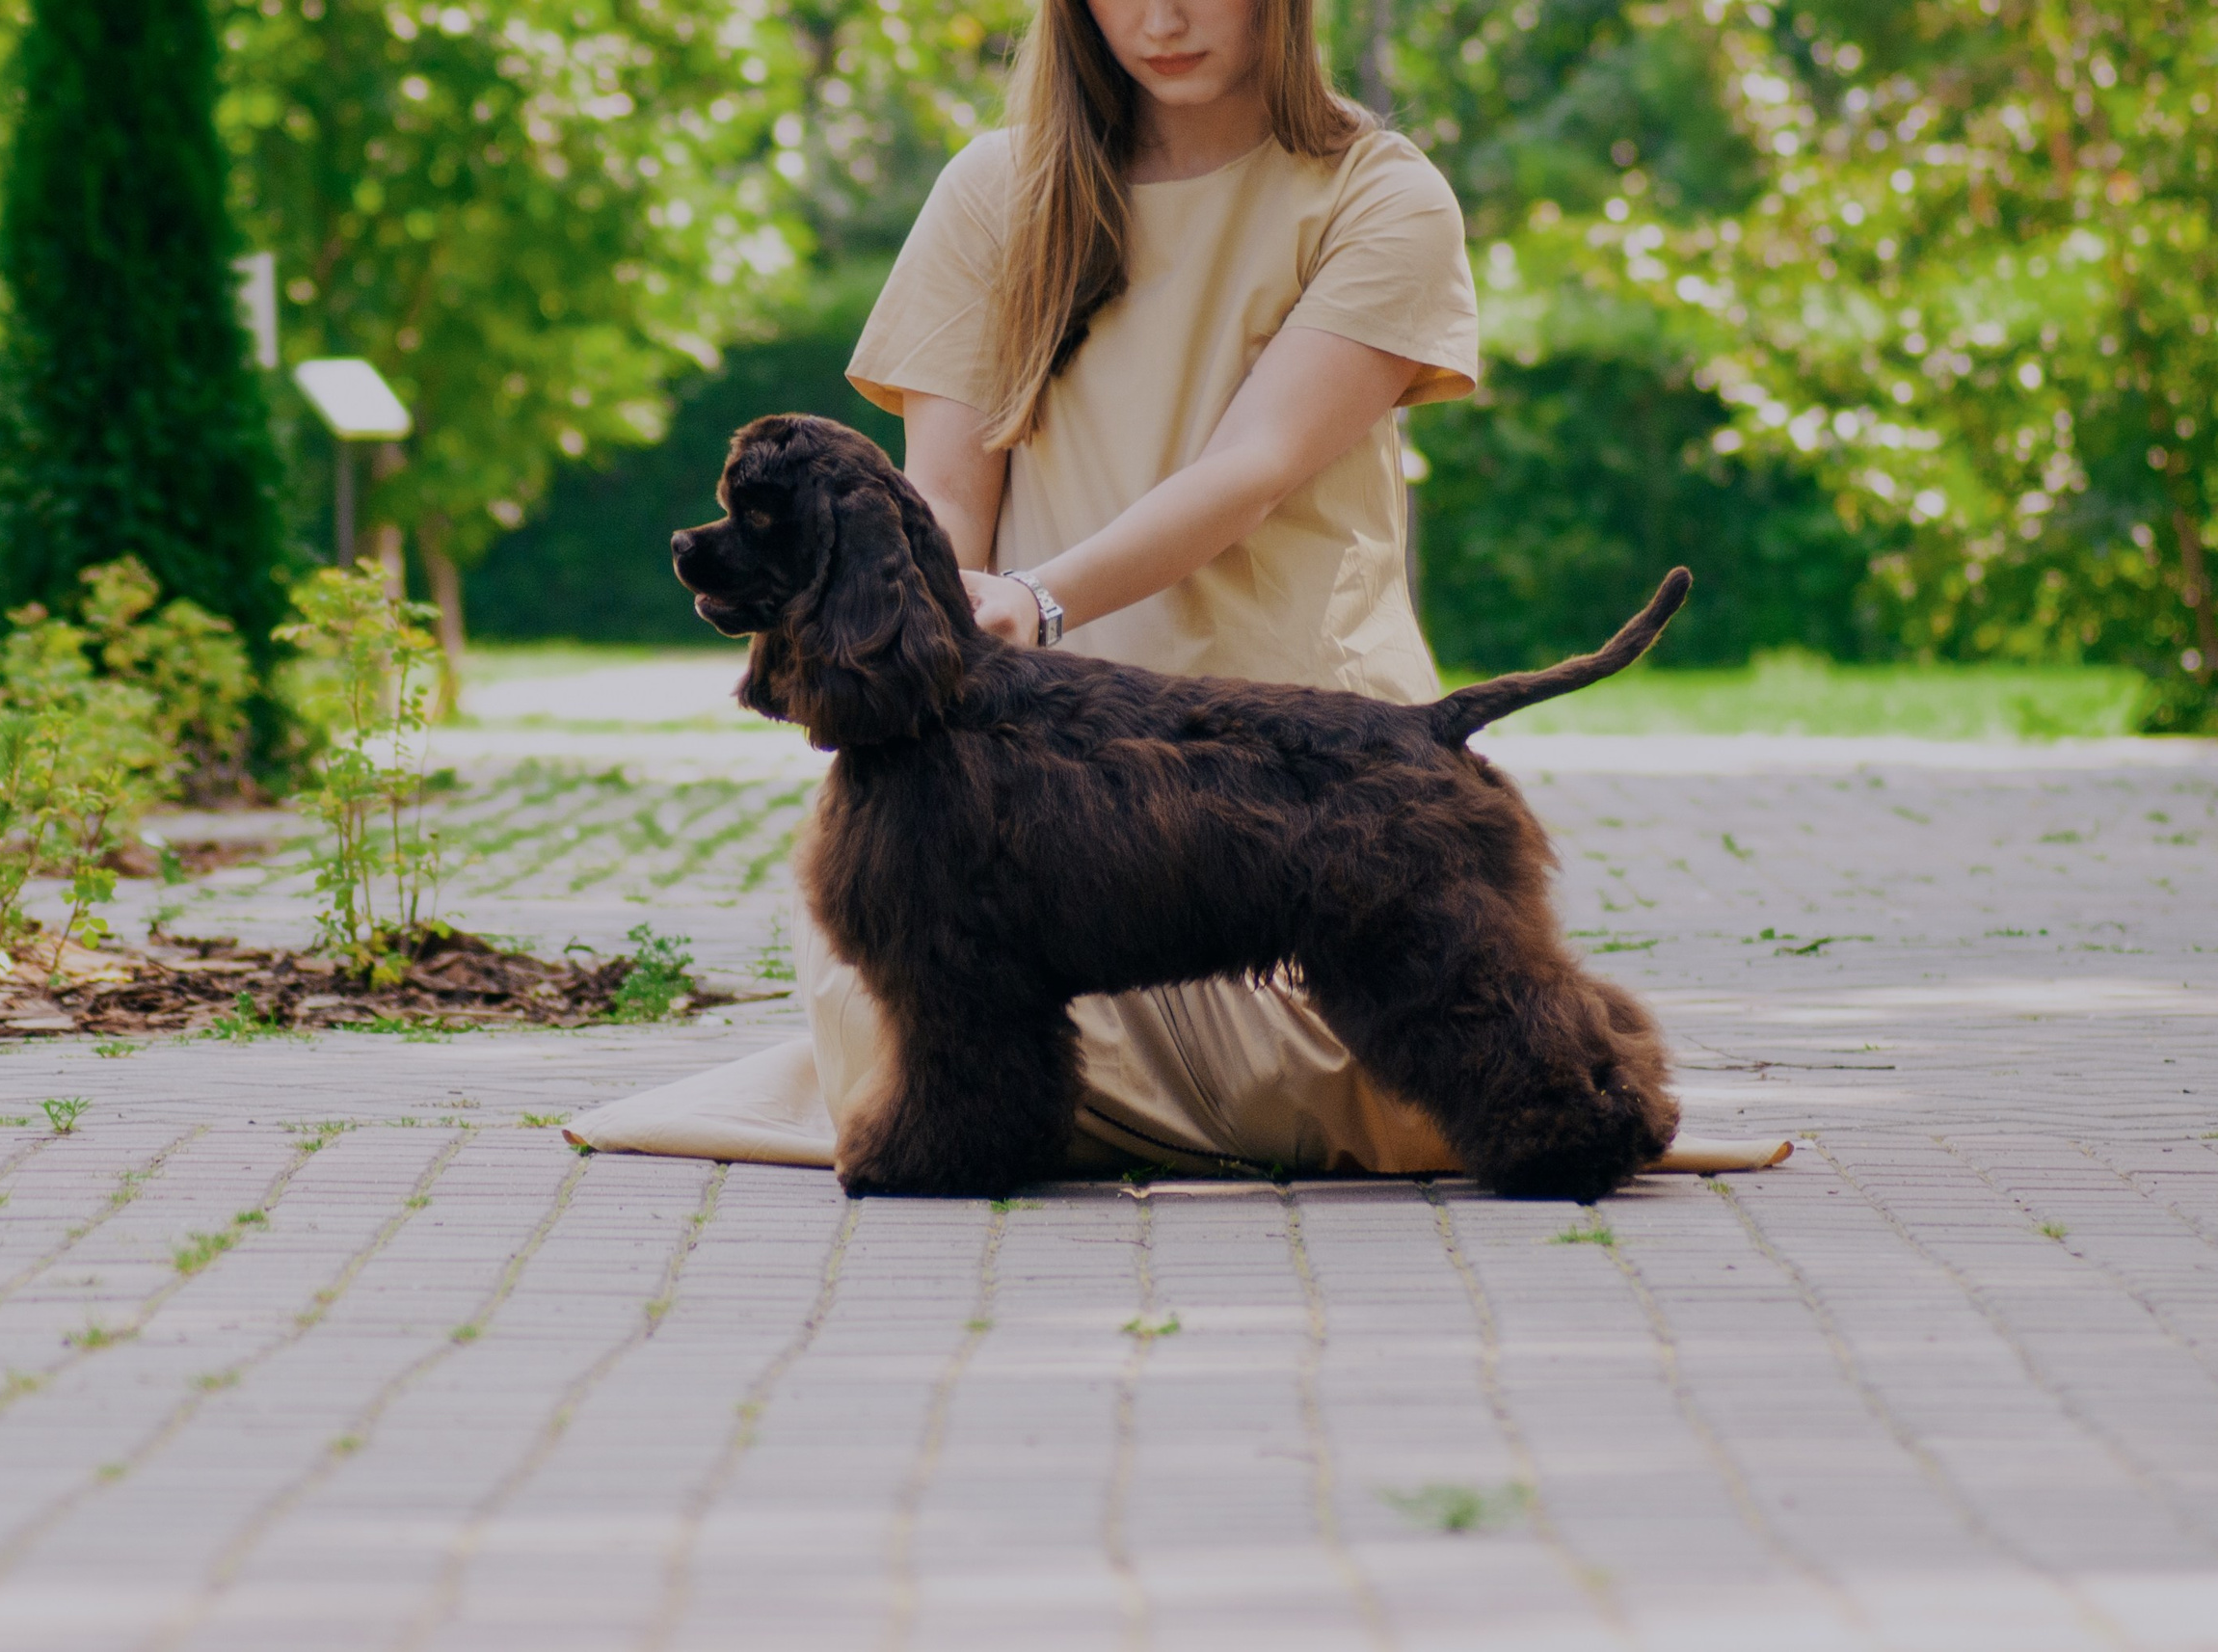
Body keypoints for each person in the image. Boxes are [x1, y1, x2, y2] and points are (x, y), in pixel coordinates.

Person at [573, 0, 1786, 1181]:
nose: (1160, 19)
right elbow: (940, 501)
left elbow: (1251, 467)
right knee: (918, 955)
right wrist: (910, 627)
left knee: (1321, 1056)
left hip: (1285, 780)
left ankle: (1540, 1059)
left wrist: (1038, 599)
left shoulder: (1381, 194)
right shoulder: (993, 190)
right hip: (1024, 781)